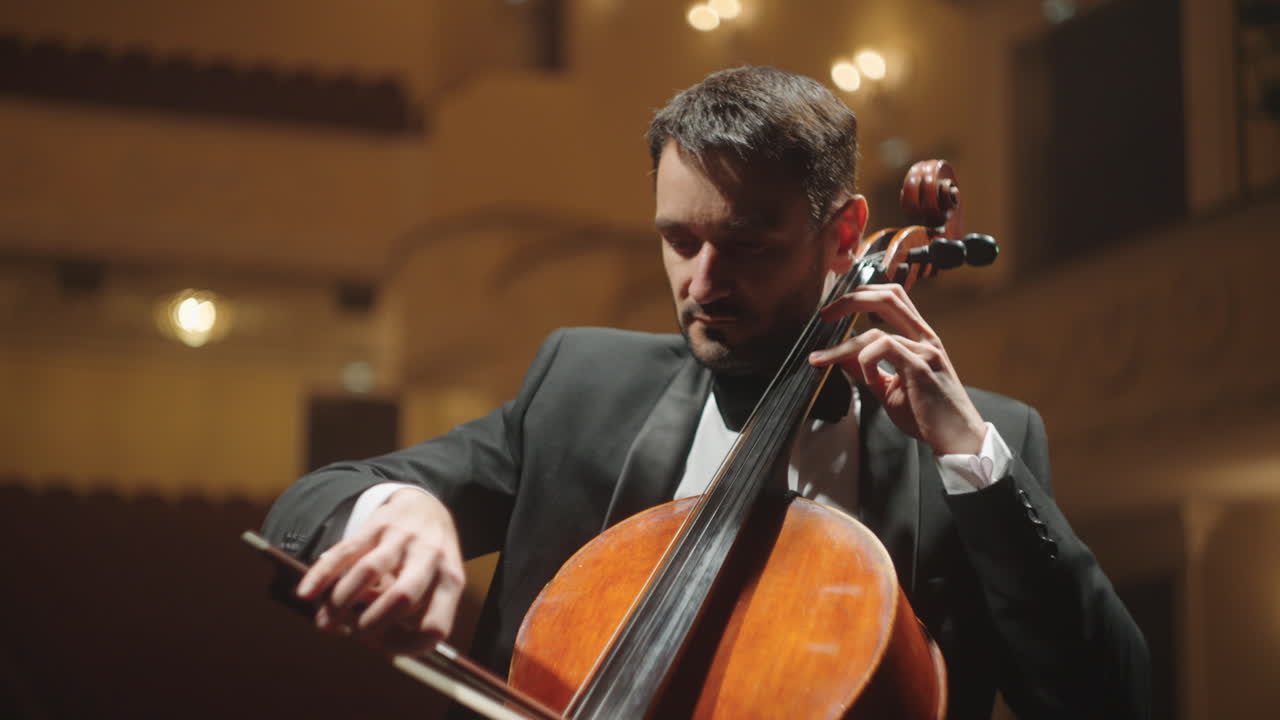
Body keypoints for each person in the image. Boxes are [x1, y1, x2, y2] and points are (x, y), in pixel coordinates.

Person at [263, 66, 1149, 719]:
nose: (703, 281)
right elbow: (308, 505)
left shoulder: (981, 442)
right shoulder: (582, 386)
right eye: (679, 240)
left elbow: (1107, 698)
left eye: (747, 245)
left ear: (843, 234)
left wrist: (974, 462)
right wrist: (398, 511)